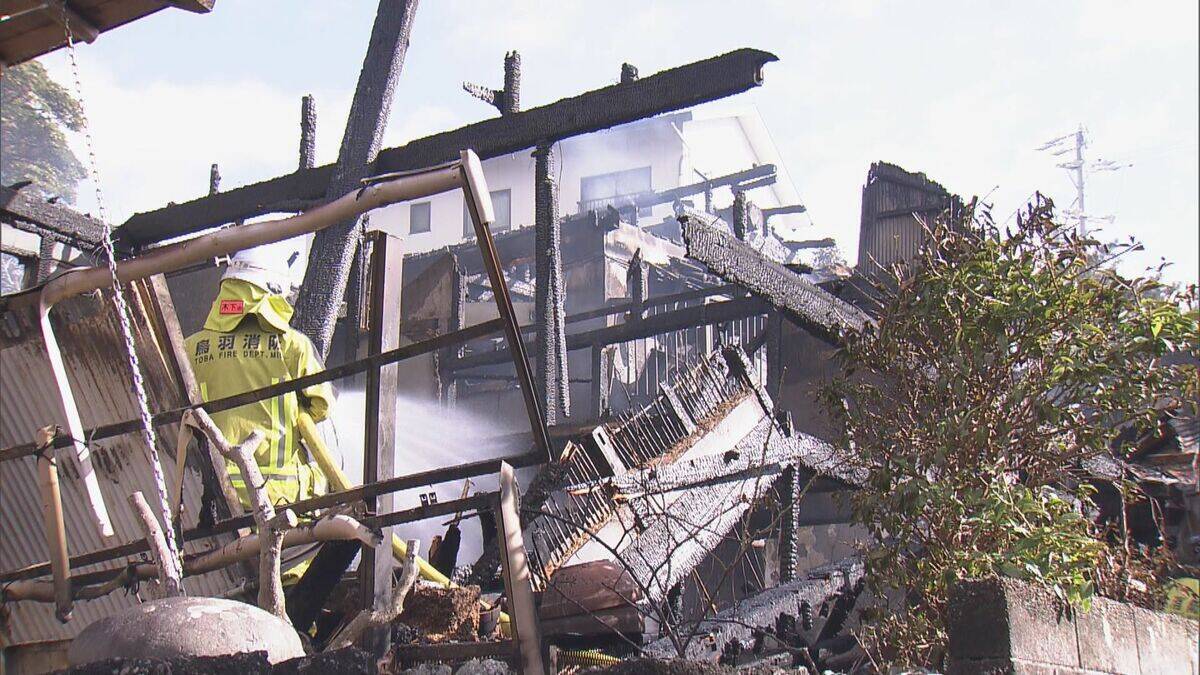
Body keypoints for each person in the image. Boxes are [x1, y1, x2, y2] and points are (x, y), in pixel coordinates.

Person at [185, 241, 334, 512]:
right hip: (277, 498)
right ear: (273, 291)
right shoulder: (291, 345)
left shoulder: (190, 348)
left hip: (210, 497)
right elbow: (322, 406)